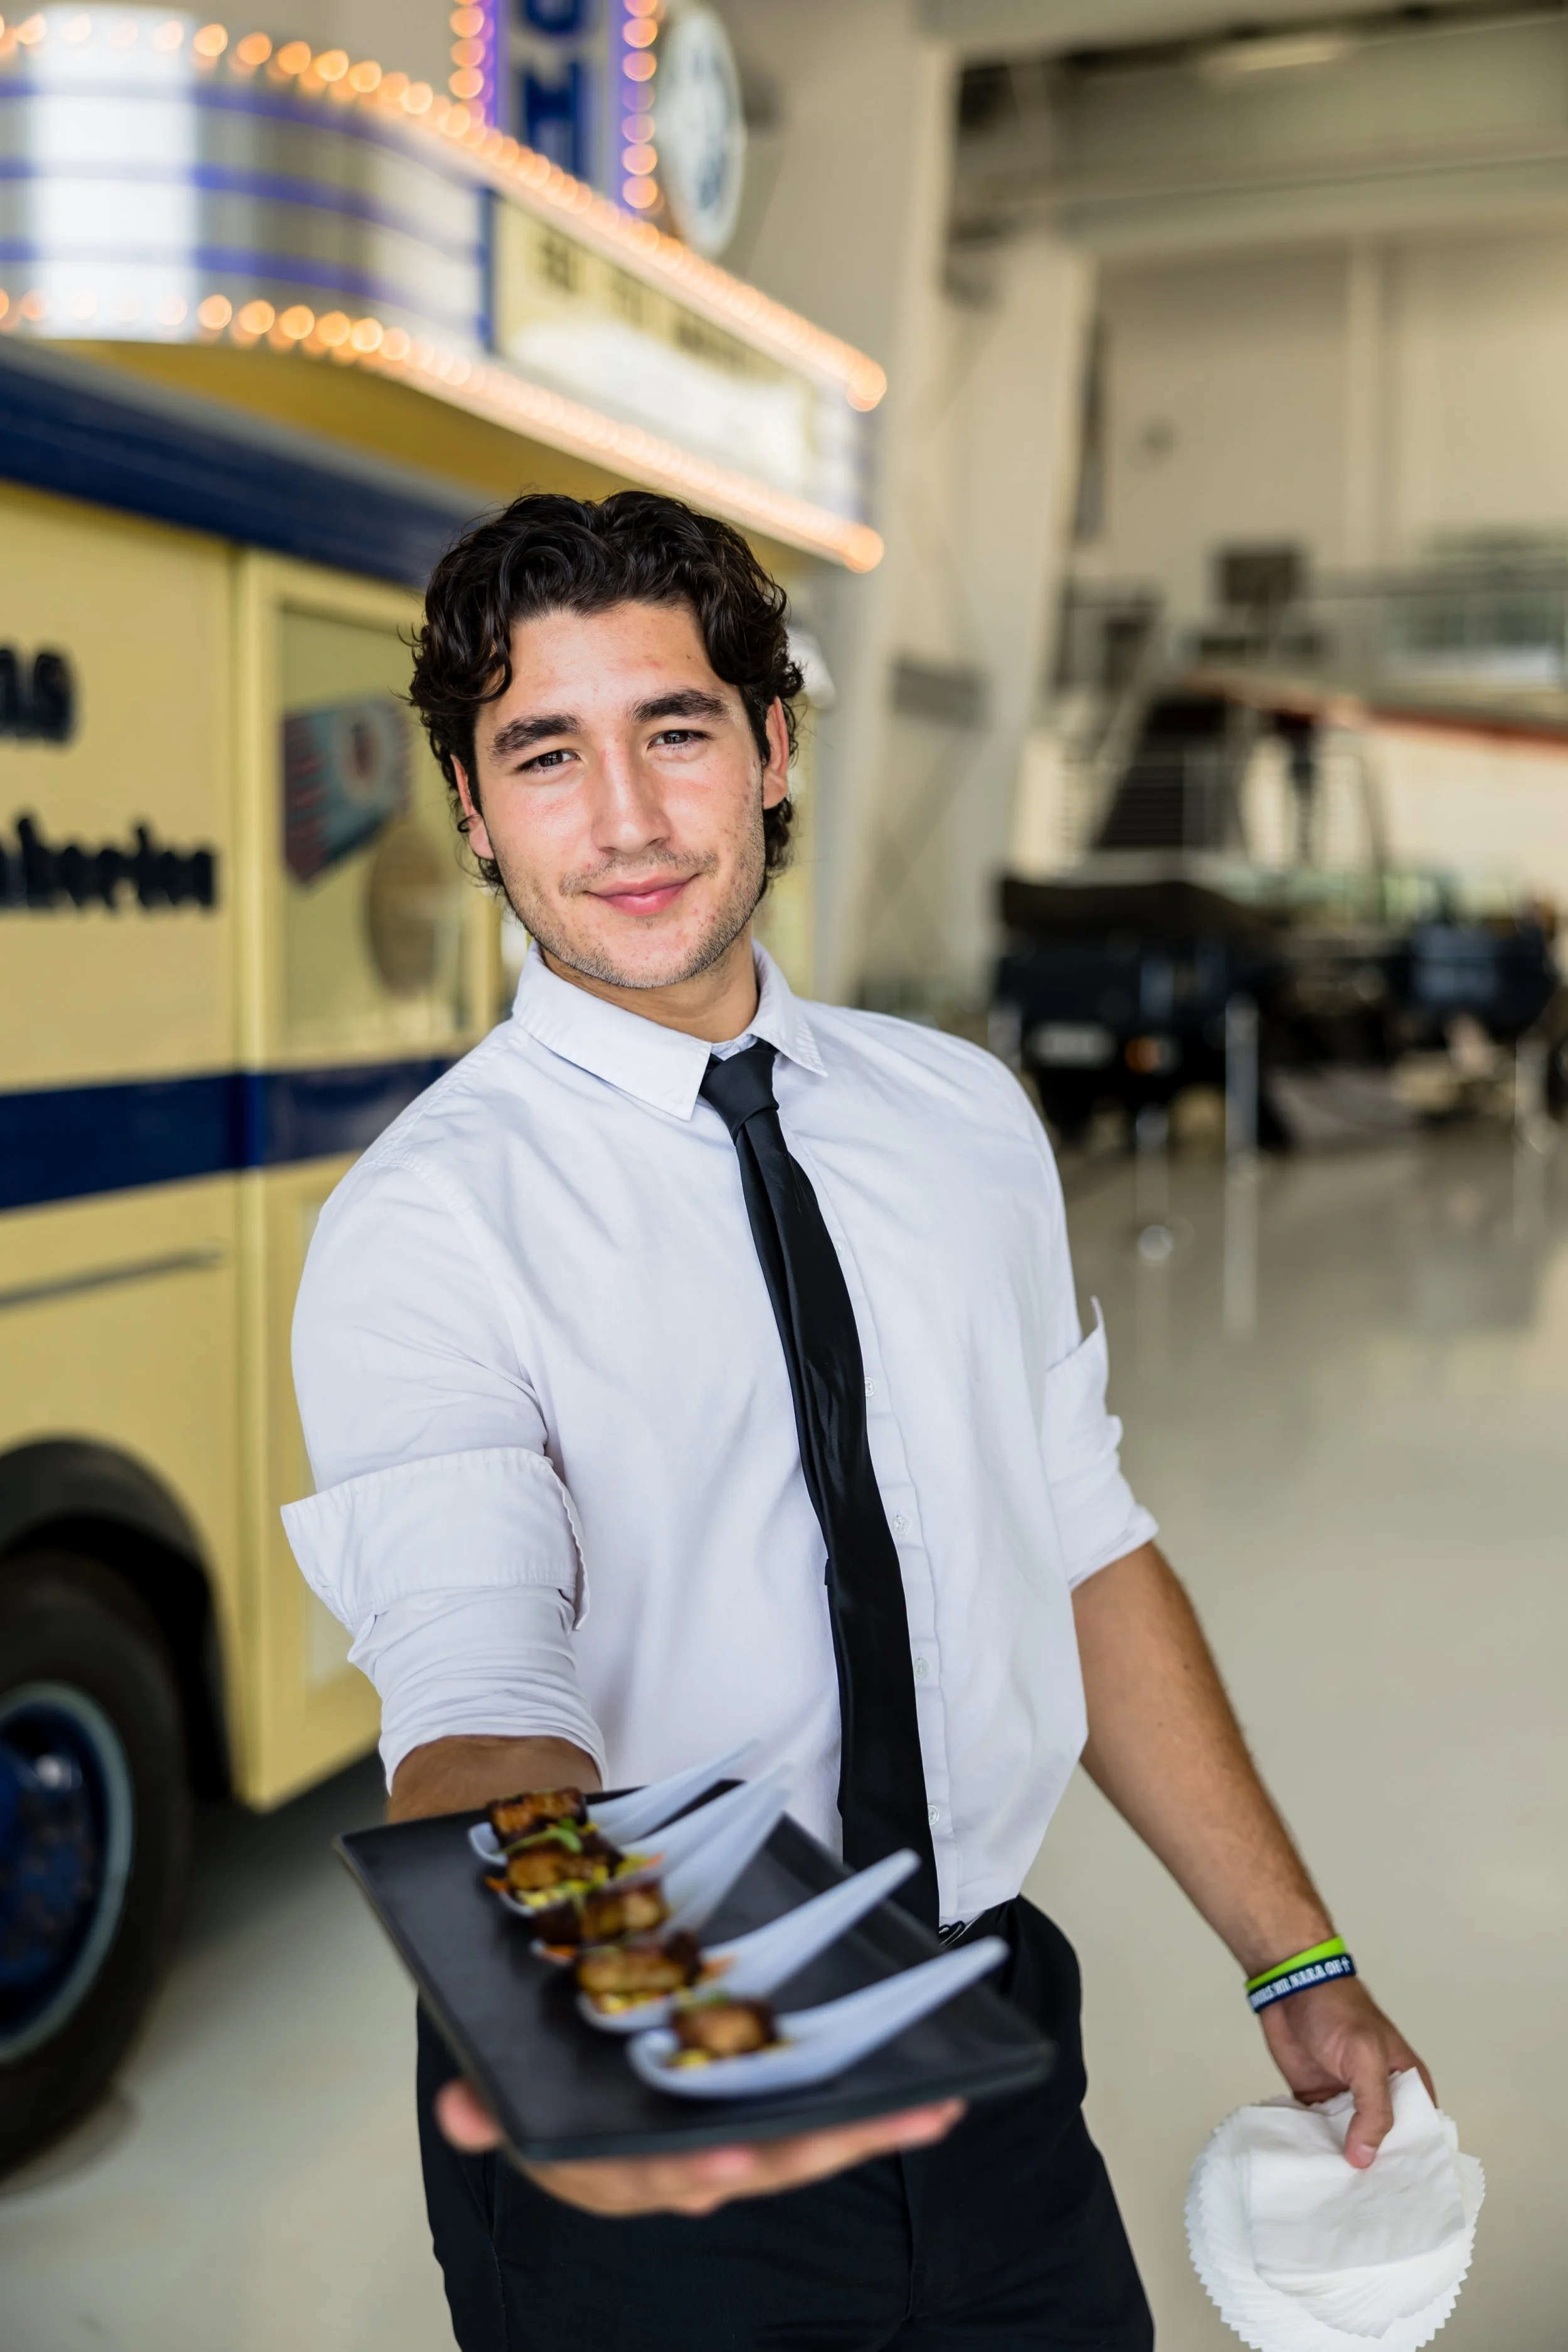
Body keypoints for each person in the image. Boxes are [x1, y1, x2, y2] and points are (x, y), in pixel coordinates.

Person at [283, 490, 1429, 2351]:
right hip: (667, 2091)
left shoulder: (959, 1119)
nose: (632, 819)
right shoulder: (427, 1226)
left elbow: (1081, 1540)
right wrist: (599, 2023)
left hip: (986, 2038)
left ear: (770, 746)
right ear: (476, 815)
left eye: (674, 729)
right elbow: (480, 1694)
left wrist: (1292, 1955)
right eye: (545, 754)